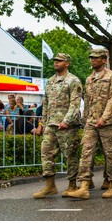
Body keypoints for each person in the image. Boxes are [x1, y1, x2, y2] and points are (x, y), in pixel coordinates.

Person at [68, 48, 112, 199]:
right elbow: (88, 101)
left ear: (104, 60)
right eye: (91, 57)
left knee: (111, 154)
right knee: (86, 152)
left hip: (108, 123)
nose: (92, 59)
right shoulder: (89, 78)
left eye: (96, 57)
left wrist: (104, 118)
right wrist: (86, 120)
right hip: (91, 122)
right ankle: (84, 186)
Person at [33, 53, 82, 199]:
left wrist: (66, 121)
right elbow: (46, 104)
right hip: (51, 124)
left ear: (67, 63)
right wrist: (42, 123)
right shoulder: (50, 81)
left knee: (70, 155)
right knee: (46, 153)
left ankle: (72, 185)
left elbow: (75, 104)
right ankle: (50, 185)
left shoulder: (73, 81)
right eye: (55, 60)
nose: (56, 63)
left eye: (59, 61)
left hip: (67, 126)